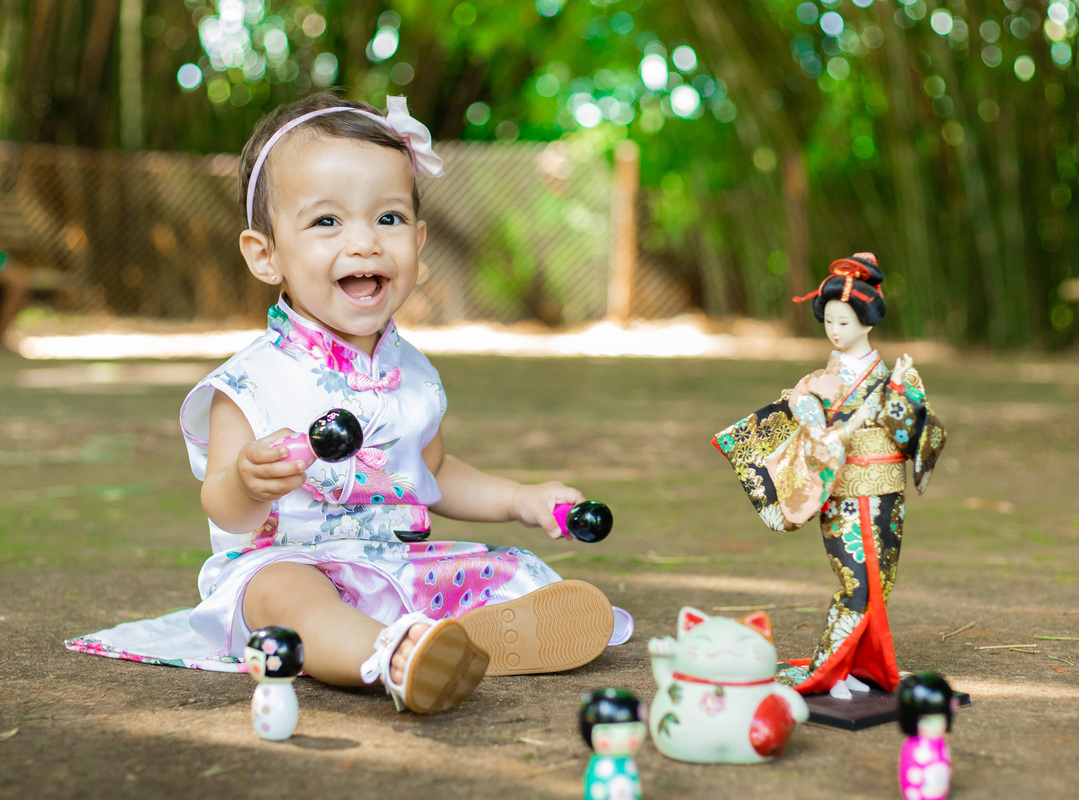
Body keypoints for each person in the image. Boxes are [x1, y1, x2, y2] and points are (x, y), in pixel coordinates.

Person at [68, 93, 627, 714]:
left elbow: (434, 474)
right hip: (287, 563)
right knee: (290, 596)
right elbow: (223, 509)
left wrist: (521, 499)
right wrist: (249, 480)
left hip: (393, 565)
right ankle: (393, 656)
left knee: (490, 569)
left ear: (417, 240)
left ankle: (451, 637)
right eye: (327, 222)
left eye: (387, 219)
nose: (364, 243)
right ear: (266, 254)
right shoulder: (252, 381)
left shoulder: (411, 371)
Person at [713, 253, 946, 701]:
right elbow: (804, 425)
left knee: (879, 583)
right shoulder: (820, 379)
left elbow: (921, 433)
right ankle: (829, 670)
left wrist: (898, 392)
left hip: (886, 492)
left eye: (844, 322)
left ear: (867, 322)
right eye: (830, 322)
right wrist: (811, 408)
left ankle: (859, 668)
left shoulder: (899, 375)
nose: (834, 331)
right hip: (840, 490)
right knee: (856, 582)